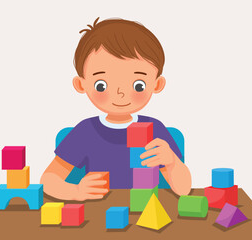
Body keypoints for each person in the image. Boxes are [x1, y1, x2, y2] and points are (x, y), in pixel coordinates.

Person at [40, 17, 191, 201]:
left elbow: (184, 189)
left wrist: (172, 162)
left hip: (147, 213)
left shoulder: (155, 130)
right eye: (102, 85)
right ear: (81, 85)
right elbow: (48, 180)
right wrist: (76, 192)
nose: (120, 94)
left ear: (157, 84)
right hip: (98, 217)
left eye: (138, 85)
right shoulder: (85, 132)